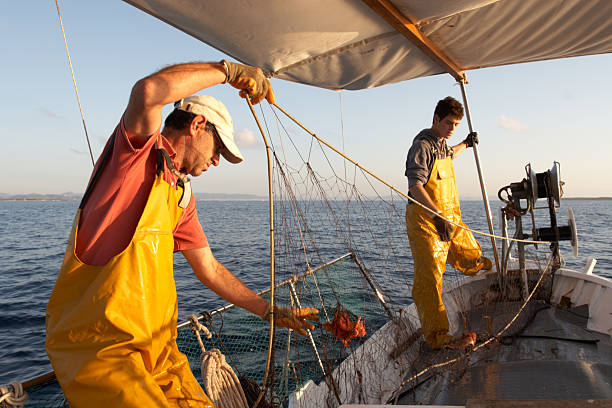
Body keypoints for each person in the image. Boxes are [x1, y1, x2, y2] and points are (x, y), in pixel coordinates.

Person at [45, 61, 319, 407]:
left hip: (159, 353)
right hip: (104, 352)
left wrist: (268, 311)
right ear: (198, 124)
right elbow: (147, 92)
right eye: (218, 149)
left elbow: (210, 269)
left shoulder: (181, 195)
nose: (217, 161)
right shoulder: (136, 154)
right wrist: (229, 73)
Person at [404, 96, 492, 350]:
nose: (453, 128)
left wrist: (467, 143)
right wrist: (437, 216)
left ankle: (493, 274)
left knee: (470, 253)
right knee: (429, 278)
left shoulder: (442, 144)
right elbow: (415, 186)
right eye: (449, 123)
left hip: (450, 218)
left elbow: (450, 154)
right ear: (436, 119)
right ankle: (438, 337)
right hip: (426, 221)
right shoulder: (422, 145)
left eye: (456, 124)